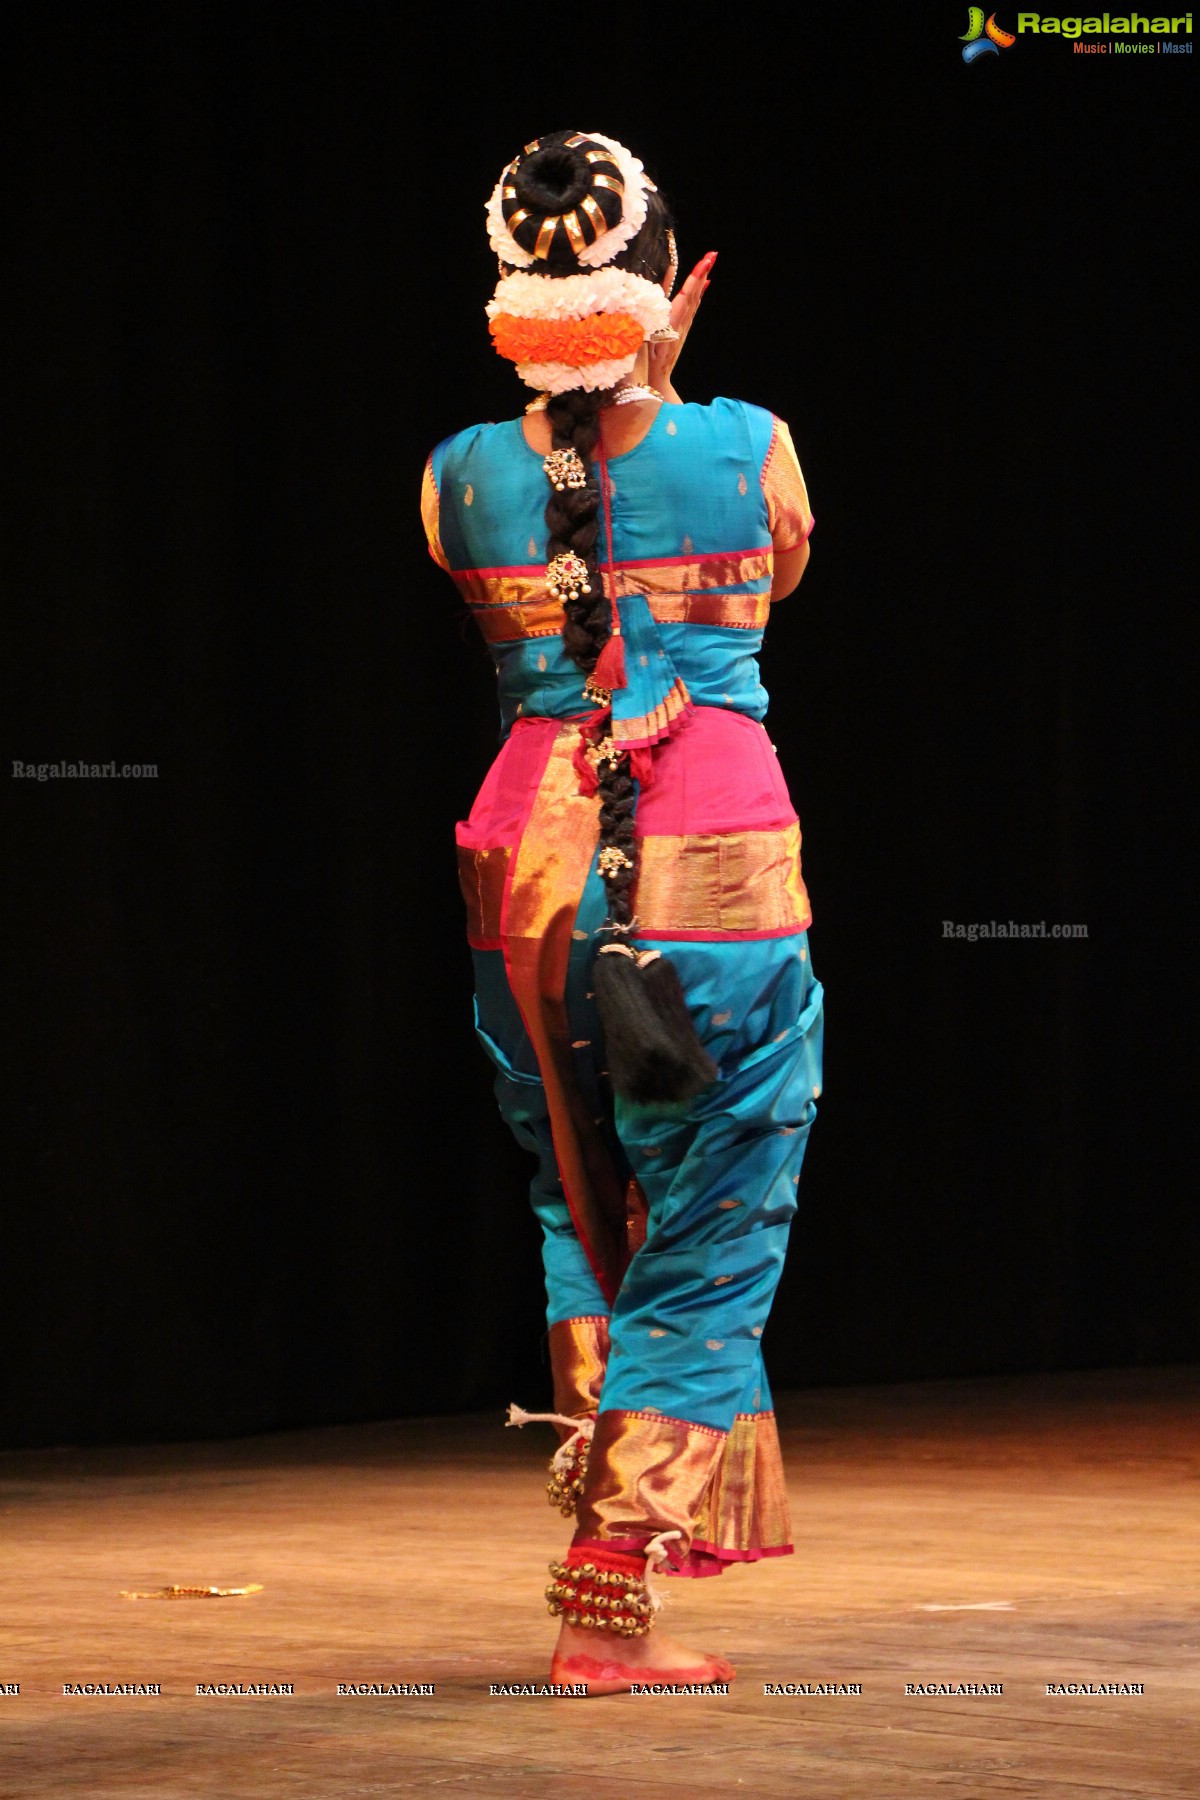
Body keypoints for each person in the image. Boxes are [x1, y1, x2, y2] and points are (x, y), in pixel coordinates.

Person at [420, 130, 824, 1696]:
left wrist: (617, 373)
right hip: (706, 853)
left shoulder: (457, 476)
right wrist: (661, 372)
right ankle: (605, 1601)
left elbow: (548, 526)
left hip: (524, 861)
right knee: (716, 1220)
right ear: (674, 282)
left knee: (581, 1204)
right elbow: (767, 579)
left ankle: (614, 1593)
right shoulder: (752, 446)